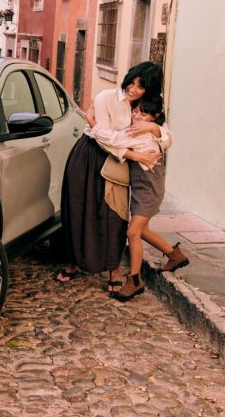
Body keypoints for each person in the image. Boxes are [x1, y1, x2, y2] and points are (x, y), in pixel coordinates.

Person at [56, 61, 166, 291]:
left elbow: (167, 137)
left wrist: (154, 129)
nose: (133, 89)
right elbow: (104, 137)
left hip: (117, 165)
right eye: (132, 82)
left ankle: (113, 269)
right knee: (78, 209)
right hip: (89, 155)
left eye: (141, 86)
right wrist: (135, 155)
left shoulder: (146, 107)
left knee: (114, 214)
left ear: (149, 90)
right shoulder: (106, 97)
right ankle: (73, 262)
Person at [109, 96, 189, 301]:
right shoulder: (146, 130)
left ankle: (134, 280)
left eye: (143, 114)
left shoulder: (144, 134)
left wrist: (93, 123)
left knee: (132, 232)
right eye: (135, 111)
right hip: (141, 189)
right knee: (142, 230)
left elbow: (113, 141)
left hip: (149, 190)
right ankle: (174, 255)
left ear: (155, 117)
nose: (137, 116)